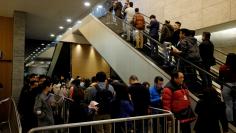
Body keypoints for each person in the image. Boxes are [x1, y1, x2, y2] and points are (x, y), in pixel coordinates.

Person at [219, 53, 236, 122]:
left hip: (227, 86)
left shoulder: (223, 67)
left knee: (228, 105)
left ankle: (230, 120)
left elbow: (220, 78)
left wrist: (221, 86)